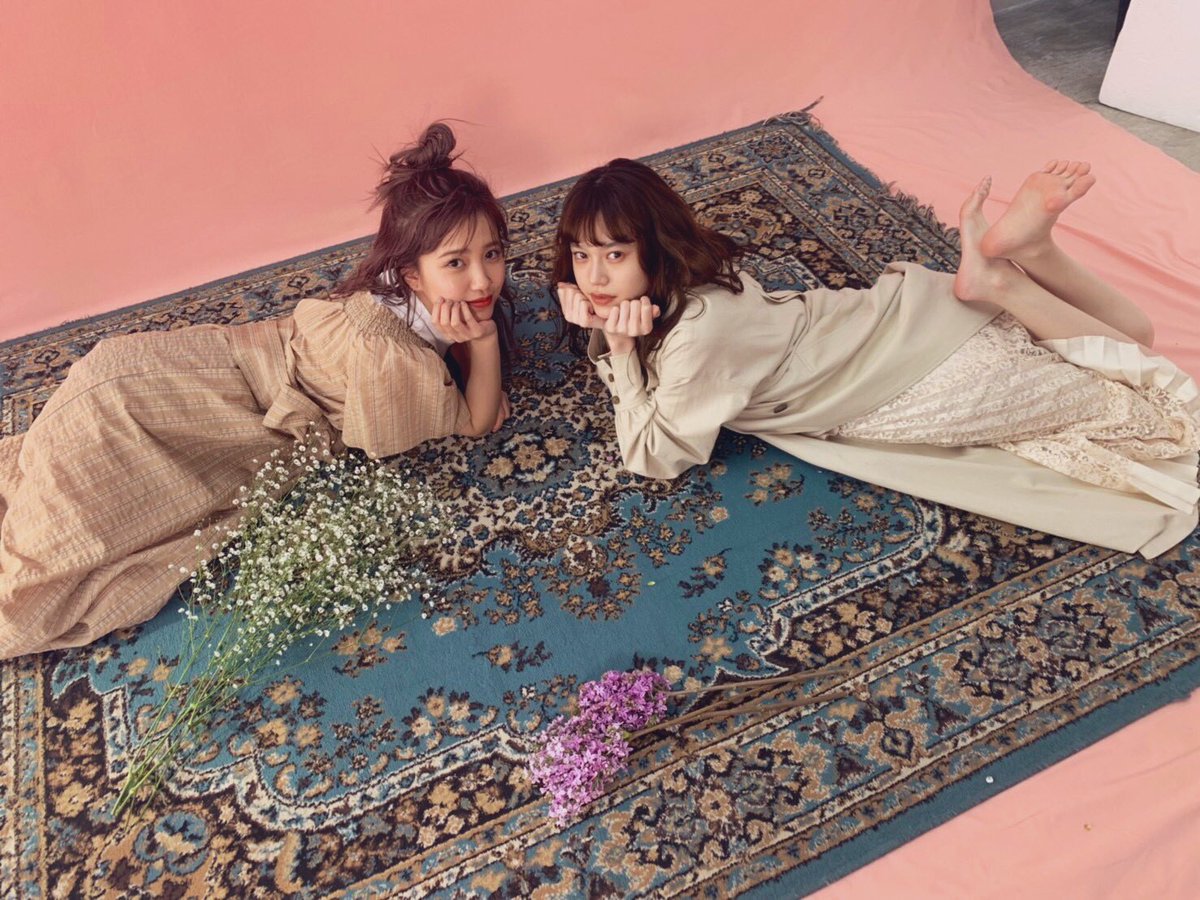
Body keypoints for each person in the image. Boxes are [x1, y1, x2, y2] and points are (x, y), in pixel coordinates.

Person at [0, 122, 514, 658]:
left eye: (493, 254)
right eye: (456, 263)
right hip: (157, 409)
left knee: (45, 484)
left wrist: (467, 342)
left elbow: (458, 354)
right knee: (45, 570)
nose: (483, 280)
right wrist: (482, 344)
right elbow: (478, 421)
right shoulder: (389, 357)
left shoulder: (396, 295)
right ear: (410, 274)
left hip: (179, 368)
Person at [554, 158, 1200, 558]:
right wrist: (616, 327)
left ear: (655, 246)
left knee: (1161, 424)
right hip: (910, 317)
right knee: (1132, 337)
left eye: (615, 254)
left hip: (930, 380)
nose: (594, 277)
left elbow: (654, 456)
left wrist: (621, 350)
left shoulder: (699, 332)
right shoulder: (696, 278)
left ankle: (1009, 273)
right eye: (582, 255)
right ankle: (1024, 262)